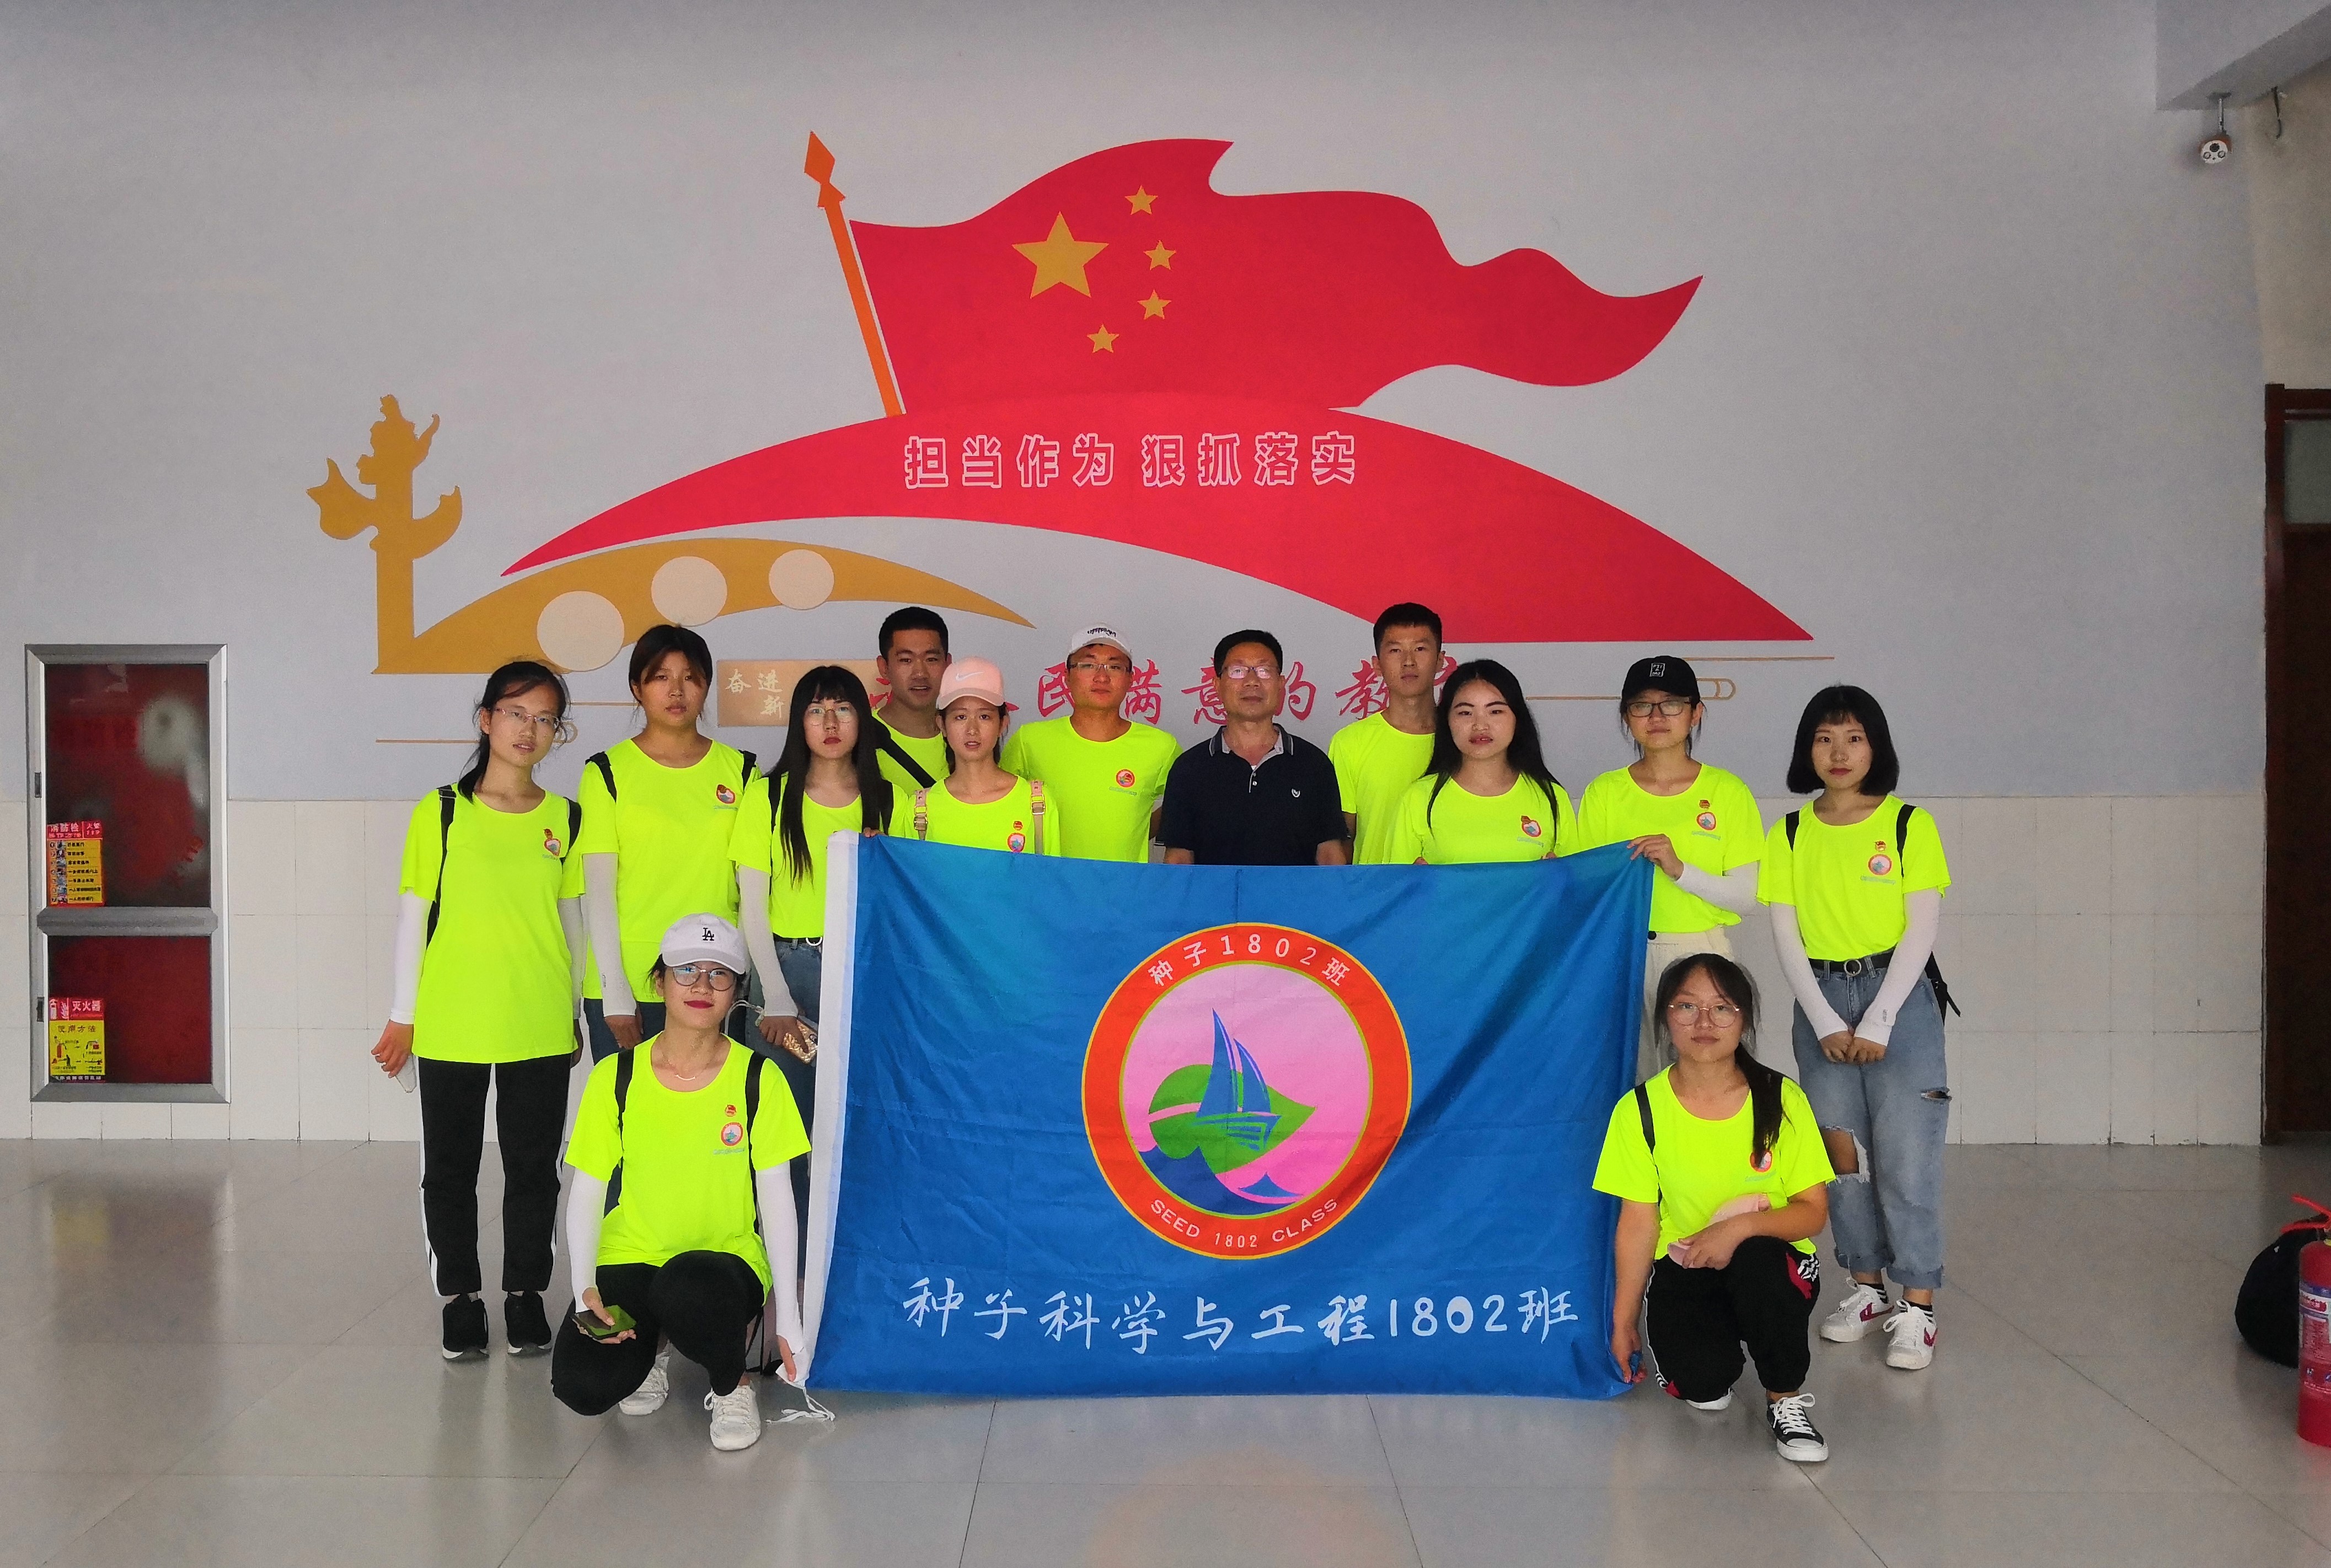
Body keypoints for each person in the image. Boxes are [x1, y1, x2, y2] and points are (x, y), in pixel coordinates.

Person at [369, 661, 584, 1361]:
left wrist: (575, 1012)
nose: (530, 730)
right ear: (487, 719)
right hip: (452, 1020)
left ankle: (525, 1294)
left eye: (545, 719)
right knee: (450, 1169)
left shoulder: (565, 819)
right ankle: (460, 1298)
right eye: (516, 713)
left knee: (534, 1170)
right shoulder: (440, 812)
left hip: (538, 1021)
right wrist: (403, 1015)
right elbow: (414, 918)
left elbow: (572, 924)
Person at [553, 915, 808, 1452]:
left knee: (688, 1288)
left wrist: (790, 1314)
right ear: (660, 982)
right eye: (686, 970)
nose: (701, 986)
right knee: (584, 1384)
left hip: (721, 1262)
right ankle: (651, 1349)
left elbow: (777, 1197)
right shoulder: (616, 1076)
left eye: (719, 975)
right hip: (633, 1253)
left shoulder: (758, 1078)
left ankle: (732, 1383)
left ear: (736, 991)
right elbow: (588, 1188)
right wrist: (583, 1289)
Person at [1760, 685, 1953, 1370]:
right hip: (1819, 997)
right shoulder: (1789, 832)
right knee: (1840, 1158)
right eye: (1824, 738)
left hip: (1896, 997)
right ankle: (1866, 1287)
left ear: (1877, 747)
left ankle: (1918, 1304)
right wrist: (1823, 1019)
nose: (1838, 753)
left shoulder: (1908, 825)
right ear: (1806, 749)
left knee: (1905, 1157)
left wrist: (1879, 1018)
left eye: (1854, 738)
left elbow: (1921, 929)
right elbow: (1785, 932)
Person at [1594, 953, 1836, 1463]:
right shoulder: (1638, 1111)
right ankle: (1720, 1335)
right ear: (1665, 1018)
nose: (1704, 1022)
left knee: (1756, 1259)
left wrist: (1738, 1228)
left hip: (1773, 1264)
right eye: (1687, 1007)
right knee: (1703, 1389)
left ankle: (1784, 1398)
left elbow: (1813, 1212)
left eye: (1722, 1008)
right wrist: (1622, 1322)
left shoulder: (1780, 1099)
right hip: (1687, 1263)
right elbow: (1638, 1223)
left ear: (1744, 1020)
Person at [730, 665, 891, 1254]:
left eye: (843, 709)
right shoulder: (768, 796)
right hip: (788, 978)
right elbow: (752, 906)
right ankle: (787, 1265)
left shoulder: (888, 800)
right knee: (786, 1129)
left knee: (855, 1127)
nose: (830, 722)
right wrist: (775, 997)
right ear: (799, 722)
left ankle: (846, 1259)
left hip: (861, 981)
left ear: (861, 720)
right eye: (816, 710)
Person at [1574, 656, 1765, 1082]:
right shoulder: (1604, 792)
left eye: (1672, 704)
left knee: (1706, 1083)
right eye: (1642, 705)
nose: (1656, 717)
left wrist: (1680, 870)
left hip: (1700, 952)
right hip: (1623, 955)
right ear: (1626, 716)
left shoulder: (1726, 791)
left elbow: (1745, 897)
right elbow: (1586, 890)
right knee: (1631, 1085)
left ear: (1696, 713)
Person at [576, 625, 757, 1061]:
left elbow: (752, 892)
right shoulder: (606, 773)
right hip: (632, 984)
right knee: (628, 1100)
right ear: (637, 688)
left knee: (713, 1101)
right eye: (661, 677)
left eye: (690, 678)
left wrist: (744, 975)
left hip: (715, 977)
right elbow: (598, 894)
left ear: (706, 686)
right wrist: (614, 991)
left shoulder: (741, 771)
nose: (677, 691)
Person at [1160, 630, 1349, 867]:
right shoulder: (1189, 769)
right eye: (1238, 671)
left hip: (1293, 894)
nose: (1252, 681)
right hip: (1214, 893)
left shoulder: (1314, 765)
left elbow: (1330, 855)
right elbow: (1178, 859)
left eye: (1264, 671)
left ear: (1281, 684)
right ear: (1217, 685)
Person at [999, 624, 1180, 862]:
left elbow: (1187, 803)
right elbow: (997, 802)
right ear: (1067, 676)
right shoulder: (1029, 740)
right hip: (1049, 882)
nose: (1102, 677)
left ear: (1131, 679)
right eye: (1088, 665)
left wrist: (1139, 829)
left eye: (1114, 667)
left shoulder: (1161, 746)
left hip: (1125, 884)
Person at [1386, 658, 1575, 863]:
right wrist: (1414, 879)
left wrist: (1558, 876)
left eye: (1495, 711)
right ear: (1447, 721)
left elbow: (1578, 880)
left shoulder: (1552, 797)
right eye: (1465, 713)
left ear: (1518, 718)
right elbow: (1396, 882)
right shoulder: (1418, 799)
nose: (1480, 725)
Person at [889, 657, 1064, 854]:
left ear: (1002, 724)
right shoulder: (920, 811)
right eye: (960, 717)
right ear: (942, 725)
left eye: (984, 716)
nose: (972, 730)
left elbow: (1049, 874)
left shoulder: (1037, 802)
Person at [1330, 603, 1444, 864]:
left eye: (1420, 649)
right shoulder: (1349, 743)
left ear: (1440, 661)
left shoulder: (1463, 740)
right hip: (1374, 887)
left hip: (1446, 888)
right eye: (1395, 651)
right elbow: (1342, 840)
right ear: (1377, 664)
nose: (1408, 662)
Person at [871, 606, 953, 798]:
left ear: (948, 664)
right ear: (884, 667)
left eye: (931, 659)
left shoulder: (968, 736)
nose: (920, 673)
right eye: (906, 660)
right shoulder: (859, 738)